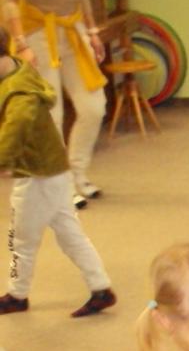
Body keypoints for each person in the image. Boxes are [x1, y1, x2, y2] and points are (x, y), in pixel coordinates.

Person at [0, 25, 115, 317]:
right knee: (69, 233)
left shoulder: (19, 95)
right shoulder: (17, 70)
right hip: (54, 169)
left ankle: (17, 294)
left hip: (37, 174)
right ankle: (101, 288)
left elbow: (13, 131)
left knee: (21, 238)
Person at [2, 0, 108, 209]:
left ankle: (78, 172)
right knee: (52, 114)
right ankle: (61, 186)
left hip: (73, 30)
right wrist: (21, 44)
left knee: (94, 106)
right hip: (36, 34)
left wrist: (93, 32)